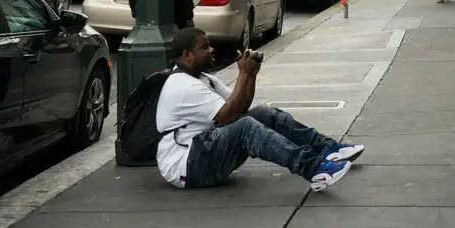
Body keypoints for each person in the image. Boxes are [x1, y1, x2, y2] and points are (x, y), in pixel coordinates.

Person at [155, 27, 365, 191]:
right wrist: (243, 75)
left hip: (203, 152)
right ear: (187, 55)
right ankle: (315, 169)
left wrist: (251, 75)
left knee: (263, 113)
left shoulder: (203, 79)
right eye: (204, 47)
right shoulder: (183, 85)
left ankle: (328, 149)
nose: (211, 50)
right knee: (246, 127)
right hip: (187, 167)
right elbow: (229, 116)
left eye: (209, 45)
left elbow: (240, 108)